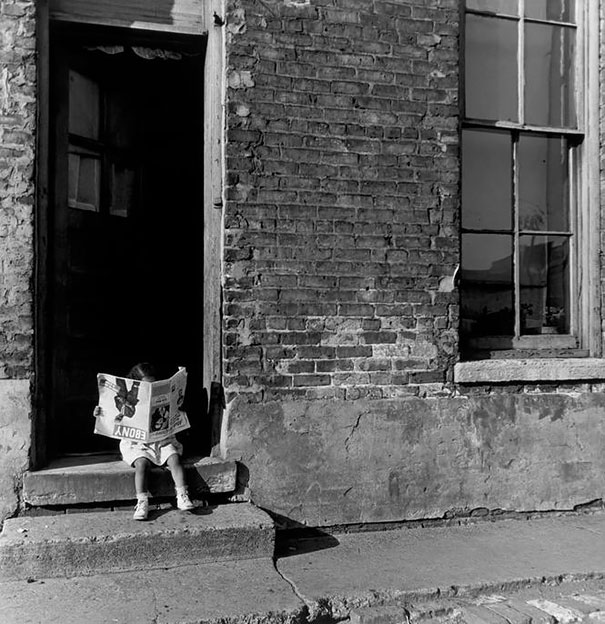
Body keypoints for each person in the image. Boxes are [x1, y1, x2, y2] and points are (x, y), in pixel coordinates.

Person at [93, 362, 195, 520]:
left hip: (161, 440)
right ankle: (142, 501)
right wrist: (100, 413)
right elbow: (112, 416)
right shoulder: (125, 398)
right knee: (141, 464)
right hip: (137, 443)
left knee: (174, 458)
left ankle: (182, 494)